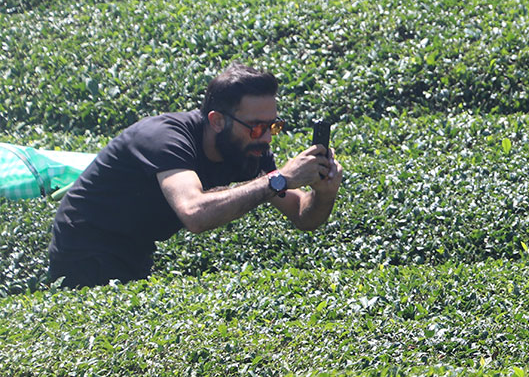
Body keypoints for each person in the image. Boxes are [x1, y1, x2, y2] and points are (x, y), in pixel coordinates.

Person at [47, 63, 343, 287]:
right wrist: (281, 179)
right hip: (85, 248)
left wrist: (324, 194)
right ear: (217, 121)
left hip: (135, 250)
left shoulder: (248, 149)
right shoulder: (165, 138)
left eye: (273, 126)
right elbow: (194, 213)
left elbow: (302, 214)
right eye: (256, 128)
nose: (266, 138)